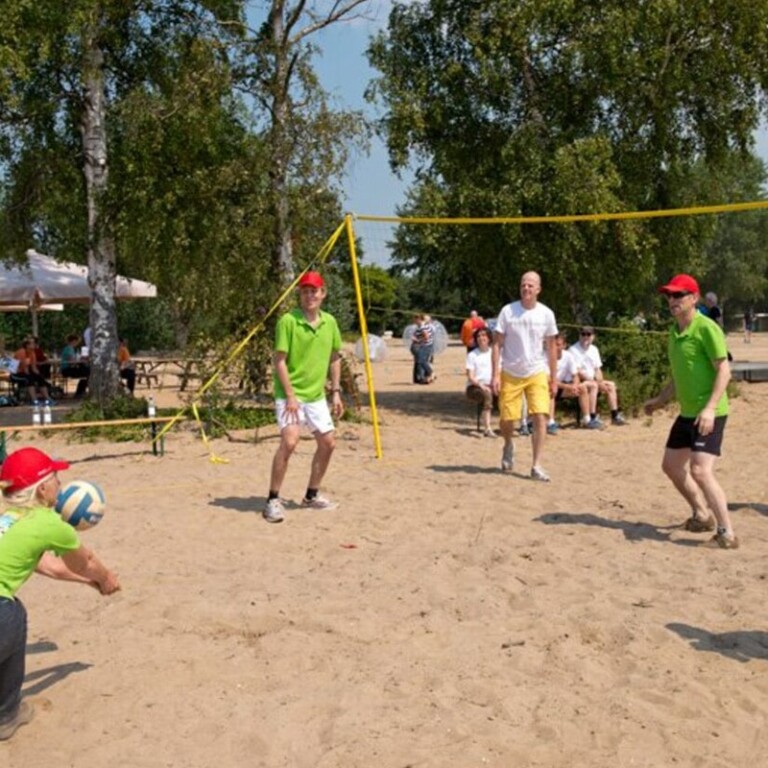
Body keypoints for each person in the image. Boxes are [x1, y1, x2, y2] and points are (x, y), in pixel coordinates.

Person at [0, 446, 120, 741]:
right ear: (42, 490)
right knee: (13, 613)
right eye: (55, 477)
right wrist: (105, 580)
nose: (61, 484)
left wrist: (86, 583)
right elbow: (86, 561)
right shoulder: (50, 524)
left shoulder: (8, 519)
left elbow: (48, 566)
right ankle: (6, 715)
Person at [643, 274, 737, 549]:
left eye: (678, 295)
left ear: (693, 298)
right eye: (669, 296)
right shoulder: (674, 332)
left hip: (711, 412)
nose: (672, 300)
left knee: (700, 470)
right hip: (687, 413)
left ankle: (727, 534)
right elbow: (679, 375)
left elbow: (724, 370)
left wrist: (709, 409)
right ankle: (701, 514)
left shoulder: (706, 328)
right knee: (671, 466)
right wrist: (660, 400)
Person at [263, 271, 343, 523]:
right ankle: (273, 500)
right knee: (290, 441)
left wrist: (336, 392)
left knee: (328, 443)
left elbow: (335, 356)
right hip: (289, 393)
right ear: (300, 294)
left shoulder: (329, 322)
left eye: (314, 291)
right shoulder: (288, 321)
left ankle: (311, 495)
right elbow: (279, 360)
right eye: (305, 291)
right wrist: (290, 396)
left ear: (323, 293)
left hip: (316, 395)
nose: (310, 295)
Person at [492, 271, 558, 481]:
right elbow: (496, 344)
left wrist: (554, 378)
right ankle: (508, 444)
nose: (526, 288)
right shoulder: (508, 311)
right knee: (507, 420)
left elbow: (552, 347)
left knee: (540, 416)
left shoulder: (546, 314)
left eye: (530, 285)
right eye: (523, 285)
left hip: (537, 371)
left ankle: (536, 465)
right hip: (510, 371)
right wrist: (495, 374)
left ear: (538, 289)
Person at [566, 326, 627, 428]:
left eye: (588, 334)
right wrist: (596, 382)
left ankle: (615, 415)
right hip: (579, 380)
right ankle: (592, 417)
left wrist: (601, 381)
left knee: (611, 385)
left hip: (593, 379)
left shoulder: (594, 349)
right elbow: (577, 371)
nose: (586, 337)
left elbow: (597, 369)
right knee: (593, 385)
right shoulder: (573, 350)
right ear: (579, 335)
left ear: (593, 336)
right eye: (583, 334)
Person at [547, 333, 599, 433]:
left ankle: (587, 419)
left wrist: (575, 385)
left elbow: (575, 374)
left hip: (562, 386)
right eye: (553, 345)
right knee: (551, 392)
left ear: (564, 345)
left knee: (582, 388)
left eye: (558, 344)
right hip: (548, 386)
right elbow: (548, 379)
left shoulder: (568, 356)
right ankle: (551, 422)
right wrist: (567, 386)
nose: (556, 347)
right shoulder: (546, 356)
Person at [465, 326, 495, 436]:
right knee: (487, 394)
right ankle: (487, 428)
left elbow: (499, 370)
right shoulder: (472, 355)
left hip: (493, 384)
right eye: (478, 336)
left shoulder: (494, 353)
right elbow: (470, 376)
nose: (481, 338)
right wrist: (481, 385)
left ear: (489, 338)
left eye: (483, 335)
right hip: (474, 387)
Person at [11, 339, 51, 404]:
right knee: (30, 379)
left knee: (40, 378)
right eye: (33, 343)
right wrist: (31, 375)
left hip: (25, 372)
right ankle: (34, 400)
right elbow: (24, 368)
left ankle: (48, 398)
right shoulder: (21, 352)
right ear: (27, 345)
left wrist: (39, 376)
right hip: (16, 374)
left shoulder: (32, 353)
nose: (34, 344)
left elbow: (34, 367)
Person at [410, 313, 435, 384]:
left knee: (421, 361)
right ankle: (425, 377)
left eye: (415, 319)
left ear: (418, 319)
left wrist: (417, 340)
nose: (414, 321)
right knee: (421, 361)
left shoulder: (422, 327)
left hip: (424, 346)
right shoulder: (425, 326)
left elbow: (426, 337)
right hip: (427, 346)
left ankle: (430, 373)